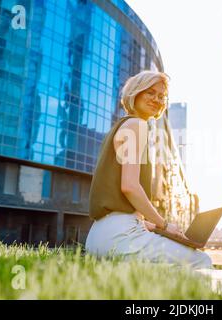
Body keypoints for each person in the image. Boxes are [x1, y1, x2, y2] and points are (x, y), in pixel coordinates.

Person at [85, 70, 212, 269]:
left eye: (161, 96)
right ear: (135, 93)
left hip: (97, 237)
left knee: (157, 274)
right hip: (120, 236)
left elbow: (121, 202)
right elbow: (129, 186)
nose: (157, 99)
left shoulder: (121, 127)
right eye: (150, 92)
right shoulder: (137, 125)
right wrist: (164, 224)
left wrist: (151, 225)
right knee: (200, 261)